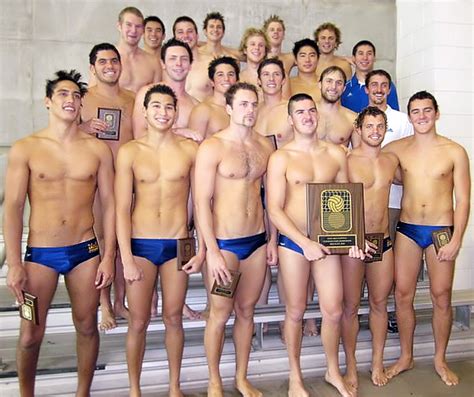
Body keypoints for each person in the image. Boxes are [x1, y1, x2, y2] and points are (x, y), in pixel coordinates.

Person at [4, 70, 116, 397]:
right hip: (40, 254)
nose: (71, 100)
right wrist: (14, 262)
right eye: (64, 95)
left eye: (76, 96)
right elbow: (11, 208)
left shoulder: (97, 150)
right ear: (48, 102)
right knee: (30, 334)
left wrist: (108, 256)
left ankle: (83, 393)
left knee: (86, 327)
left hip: (86, 251)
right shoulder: (27, 148)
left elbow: (110, 206)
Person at [267, 93, 363, 397]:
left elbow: (347, 200)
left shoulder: (336, 154)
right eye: (300, 112)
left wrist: (353, 240)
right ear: (291, 119)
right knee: (295, 311)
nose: (307, 116)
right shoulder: (280, 157)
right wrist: (303, 242)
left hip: (328, 242)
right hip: (294, 243)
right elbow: (274, 208)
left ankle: (332, 369)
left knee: (333, 310)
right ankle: (295, 376)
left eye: (311, 110)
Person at [116, 84, 205, 397]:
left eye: (169, 107)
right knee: (138, 321)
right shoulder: (130, 152)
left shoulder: (190, 151)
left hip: (179, 243)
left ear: (176, 112)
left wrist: (202, 247)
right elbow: (121, 208)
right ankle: (135, 389)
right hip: (141, 244)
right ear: (145, 111)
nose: (163, 113)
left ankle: (174, 386)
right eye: (156, 106)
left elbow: (202, 201)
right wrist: (125, 258)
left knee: (173, 318)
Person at [195, 82, 277, 397]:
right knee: (218, 314)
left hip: (256, 242)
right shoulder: (213, 147)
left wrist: (271, 240)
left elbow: (270, 198)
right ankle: (214, 381)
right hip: (225, 245)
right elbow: (202, 201)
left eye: (253, 104)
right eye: (242, 104)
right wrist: (211, 251)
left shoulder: (264, 147)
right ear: (228, 108)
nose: (250, 110)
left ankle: (241, 378)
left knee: (247, 312)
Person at [384, 91, 470, 386]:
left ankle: (440, 359)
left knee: (441, 296)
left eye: (426, 110)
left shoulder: (454, 151)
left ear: (436, 113)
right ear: (409, 116)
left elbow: (464, 200)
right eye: (416, 111)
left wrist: (457, 239)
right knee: (403, 294)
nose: (421, 116)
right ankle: (406, 356)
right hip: (408, 229)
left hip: (440, 231)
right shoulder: (397, 148)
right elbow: (369, 159)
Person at [341, 106, 399, 389]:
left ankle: (377, 362)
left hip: (382, 242)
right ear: (359, 129)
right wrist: (351, 237)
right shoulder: (347, 160)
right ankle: (351, 366)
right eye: (369, 127)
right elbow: (334, 204)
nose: (374, 132)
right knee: (350, 307)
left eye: (379, 127)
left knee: (379, 304)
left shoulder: (391, 161)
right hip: (354, 243)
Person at [81, 42, 135, 330]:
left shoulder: (133, 99)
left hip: (127, 180)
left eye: (114, 61)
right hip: (96, 183)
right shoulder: (83, 99)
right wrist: (82, 127)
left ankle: (120, 302)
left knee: (124, 239)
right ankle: (104, 303)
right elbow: (61, 134)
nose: (110, 66)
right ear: (93, 68)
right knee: (102, 240)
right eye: (103, 62)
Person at [365, 69, 413, 241]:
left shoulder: (403, 120)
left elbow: (408, 159)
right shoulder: (358, 120)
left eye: (384, 85)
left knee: (389, 255)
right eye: (374, 85)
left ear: (389, 89)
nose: (379, 89)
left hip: (393, 200)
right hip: (364, 202)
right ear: (366, 89)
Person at [133, 38, 199, 139]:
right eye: (173, 58)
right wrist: (178, 132)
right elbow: (139, 135)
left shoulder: (195, 105)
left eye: (184, 59)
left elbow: (196, 141)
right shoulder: (146, 94)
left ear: (190, 65)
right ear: (163, 64)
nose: (179, 64)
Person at [341, 40, 400, 113]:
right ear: (353, 58)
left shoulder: (386, 85)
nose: (365, 58)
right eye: (360, 53)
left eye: (369, 54)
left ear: (374, 58)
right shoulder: (344, 88)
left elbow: (394, 115)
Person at [188, 56, 240, 138]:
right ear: (212, 82)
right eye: (220, 75)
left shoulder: (242, 109)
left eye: (231, 74)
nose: (226, 79)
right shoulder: (203, 110)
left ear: (237, 81)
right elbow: (193, 146)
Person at [113, 7, 161, 93]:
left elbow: (158, 98)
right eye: (129, 25)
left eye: (138, 26)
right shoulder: (106, 59)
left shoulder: (153, 62)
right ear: (119, 26)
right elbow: (93, 94)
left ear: (143, 30)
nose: (133, 30)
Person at [173, 16, 214, 101]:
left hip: (204, 113)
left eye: (190, 31)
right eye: (180, 32)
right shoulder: (167, 66)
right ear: (174, 38)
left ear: (197, 35)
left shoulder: (211, 62)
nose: (185, 35)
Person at [255, 58, 293, 147]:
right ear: (259, 81)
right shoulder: (253, 111)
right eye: (266, 74)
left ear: (283, 80)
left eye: (276, 74)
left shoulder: (292, 109)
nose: (271, 78)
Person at [316, 66, 358, 147]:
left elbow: (357, 153)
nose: (333, 87)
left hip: (339, 159)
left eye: (339, 83)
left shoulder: (353, 118)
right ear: (320, 84)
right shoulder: (306, 113)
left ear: (344, 88)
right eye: (329, 81)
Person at [238, 28, 272, 99]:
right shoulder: (237, 78)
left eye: (261, 45)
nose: (257, 48)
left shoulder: (275, 77)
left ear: (265, 51)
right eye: (252, 44)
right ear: (245, 50)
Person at [289, 38, 321, 104]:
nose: (307, 60)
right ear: (295, 60)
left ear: (318, 59)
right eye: (302, 56)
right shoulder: (286, 84)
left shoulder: (326, 83)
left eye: (312, 55)